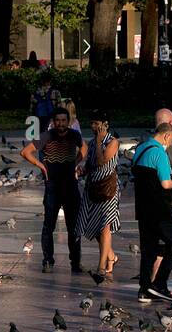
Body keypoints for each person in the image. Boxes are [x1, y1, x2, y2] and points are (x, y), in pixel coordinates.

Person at [21, 107, 85, 274]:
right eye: (58, 121)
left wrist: (75, 163)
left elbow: (84, 149)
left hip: (70, 186)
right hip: (53, 187)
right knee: (48, 226)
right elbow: (25, 152)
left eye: (64, 120)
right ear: (53, 122)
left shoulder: (74, 135)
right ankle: (48, 260)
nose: (61, 124)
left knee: (74, 227)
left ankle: (75, 262)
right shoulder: (46, 136)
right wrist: (41, 166)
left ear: (68, 121)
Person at [133, 122, 172, 304]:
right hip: (160, 209)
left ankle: (144, 288)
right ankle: (160, 284)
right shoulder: (159, 152)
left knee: (149, 248)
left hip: (143, 208)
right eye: (170, 140)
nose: (170, 144)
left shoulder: (140, 149)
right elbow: (165, 184)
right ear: (165, 136)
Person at [78, 116, 121, 274]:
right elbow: (91, 165)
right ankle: (111, 256)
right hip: (93, 188)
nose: (93, 126)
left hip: (107, 190)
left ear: (105, 125)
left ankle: (101, 267)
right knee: (95, 226)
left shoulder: (113, 142)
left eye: (97, 123)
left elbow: (102, 160)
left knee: (104, 227)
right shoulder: (91, 142)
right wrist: (82, 170)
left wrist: (98, 142)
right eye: (92, 123)